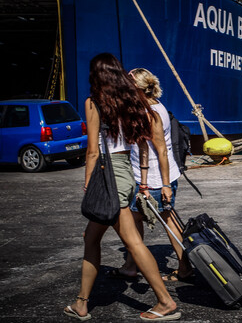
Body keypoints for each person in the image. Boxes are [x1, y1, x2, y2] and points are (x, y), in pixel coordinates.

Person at [63, 53, 180, 321]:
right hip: (125, 170)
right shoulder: (130, 104)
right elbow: (142, 144)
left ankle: (165, 302)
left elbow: (92, 151)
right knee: (90, 238)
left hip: (109, 174)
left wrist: (88, 185)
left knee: (133, 243)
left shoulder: (94, 103)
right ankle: (81, 304)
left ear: (97, 76)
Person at [109, 68, 193, 282]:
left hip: (155, 179)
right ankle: (132, 265)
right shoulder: (153, 107)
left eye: (129, 83)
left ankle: (183, 268)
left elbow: (161, 150)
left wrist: (164, 185)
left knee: (145, 220)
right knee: (159, 220)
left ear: (137, 87)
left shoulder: (151, 112)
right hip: (154, 177)